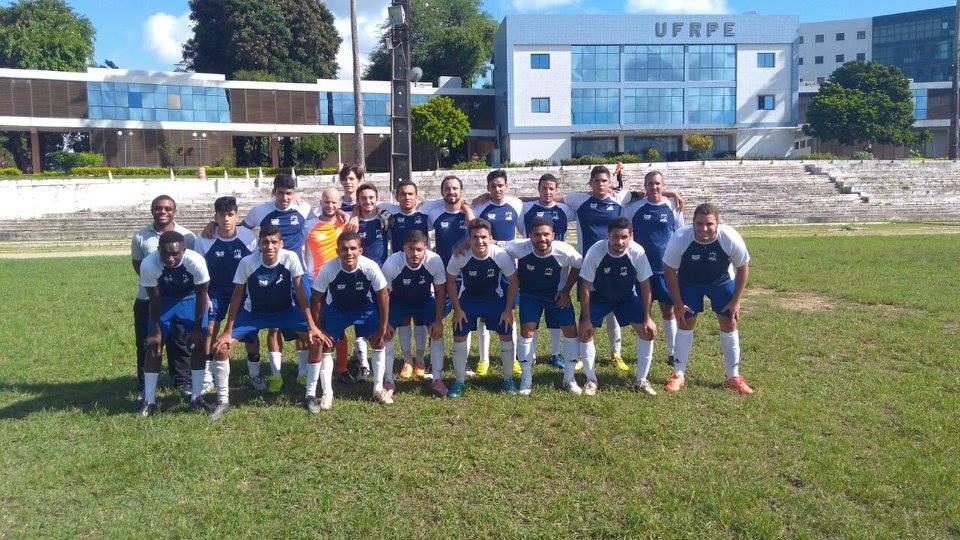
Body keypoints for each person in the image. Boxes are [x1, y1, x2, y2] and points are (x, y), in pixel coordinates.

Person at [204, 174, 312, 391]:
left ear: (295, 193)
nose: (285, 197)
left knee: (306, 323)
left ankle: (303, 372)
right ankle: (275, 375)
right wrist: (214, 223)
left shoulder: (304, 208)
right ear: (274, 192)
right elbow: (238, 228)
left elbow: (324, 218)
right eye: (280, 192)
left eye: (289, 193)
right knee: (273, 326)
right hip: (269, 274)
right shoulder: (260, 211)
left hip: (296, 273)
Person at [213, 225, 325, 414]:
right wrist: (227, 331)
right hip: (253, 314)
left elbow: (300, 292)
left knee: (316, 341)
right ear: (259, 244)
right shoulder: (247, 262)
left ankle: (310, 395)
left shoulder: (290, 257)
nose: (270, 246)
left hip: (285, 311)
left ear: (281, 244)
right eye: (265, 242)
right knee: (221, 347)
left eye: (274, 242)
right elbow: (237, 296)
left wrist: (312, 326)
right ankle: (223, 401)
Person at [661, 203, 753, 395]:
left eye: (709, 224)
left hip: (721, 282)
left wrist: (736, 300)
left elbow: (743, 266)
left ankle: (733, 376)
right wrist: (678, 303)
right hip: (690, 283)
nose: (703, 229)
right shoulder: (680, 238)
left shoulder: (729, 237)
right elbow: (669, 269)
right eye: (699, 224)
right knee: (685, 323)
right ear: (692, 223)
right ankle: (678, 374)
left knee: (729, 322)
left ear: (717, 224)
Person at [576, 217, 658, 396]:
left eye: (623, 237)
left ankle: (641, 380)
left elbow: (645, 285)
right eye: (615, 237)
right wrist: (586, 318)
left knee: (646, 332)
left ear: (630, 237)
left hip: (625, 298)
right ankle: (591, 380)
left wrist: (648, 317)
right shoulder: (596, 251)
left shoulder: (637, 251)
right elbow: (585, 286)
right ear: (608, 236)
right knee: (585, 333)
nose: (619, 242)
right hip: (600, 297)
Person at [500, 218, 582, 395]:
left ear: (553, 235)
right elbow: (496, 244)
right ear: (529, 235)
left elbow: (578, 266)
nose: (542, 238)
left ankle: (569, 378)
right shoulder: (519, 247)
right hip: (530, 296)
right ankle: (526, 378)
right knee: (527, 332)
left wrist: (566, 290)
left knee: (570, 331)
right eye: (537, 234)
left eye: (546, 234)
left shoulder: (565, 251)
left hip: (556, 296)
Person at [311, 231, 391, 406]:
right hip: (337, 309)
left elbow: (383, 295)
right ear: (337, 250)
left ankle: (378, 389)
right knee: (326, 344)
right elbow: (316, 298)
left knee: (378, 342)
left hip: (363, 308)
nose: (349, 253)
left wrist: (383, 327)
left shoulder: (370, 266)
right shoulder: (328, 268)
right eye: (344, 249)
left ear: (360, 250)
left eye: (353, 248)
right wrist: (318, 329)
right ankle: (327, 394)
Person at [130, 195, 196, 401]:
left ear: (174, 211)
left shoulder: (188, 236)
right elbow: (138, 266)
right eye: (158, 208)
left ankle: (182, 381)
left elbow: (191, 265)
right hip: (148, 297)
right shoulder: (141, 236)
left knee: (180, 341)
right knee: (148, 341)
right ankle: (145, 385)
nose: (163, 212)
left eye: (168, 208)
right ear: (152, 210)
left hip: (179, 299)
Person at [137, 231, 210, 416]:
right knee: (154, 345)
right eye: (165, 253)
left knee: (199, 343)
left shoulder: (196, 261)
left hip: (190, 298)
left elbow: (202, 293)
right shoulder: (149, 264)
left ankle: (196, 397)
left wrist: (196, 328)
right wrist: (156, 330)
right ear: (158, 249)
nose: (170, 258)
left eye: (175, 254)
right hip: (164, 301)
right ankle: (150, 400)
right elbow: (153, 298)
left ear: (184, 250)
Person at [446, 218, 518, 398]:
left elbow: (514, 280)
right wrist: (457, 309)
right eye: (475, 237)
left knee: (506, 332)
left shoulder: (499, 254)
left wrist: (508, 309)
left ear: (490, 237)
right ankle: (459, 381)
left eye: (484, 237)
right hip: (468, 300)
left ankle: (508, 379)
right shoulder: (460, 255)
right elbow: (450, 280)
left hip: (494, 299)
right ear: (469, 239)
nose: (480, 241)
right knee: (460, 333)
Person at [193, 196, 260, 390]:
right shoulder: (204, 239)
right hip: (216, 292)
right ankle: (207, 374)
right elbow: (199, 272)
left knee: (250, 331)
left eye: (230, 215)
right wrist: (204, 296)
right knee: (210, 329)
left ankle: (255, 375)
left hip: (244, 292)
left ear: (237, 215)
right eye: (221, 215)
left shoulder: (249, 237)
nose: (226, 219)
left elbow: (255, 266)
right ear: (215, 217)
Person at [622, 170, 684, 367]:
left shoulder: (672, 205)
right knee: (643, 313)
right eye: (650, 184)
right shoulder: (635, 208)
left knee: (669, 311)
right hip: (642, 272)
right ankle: (645, 350)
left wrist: (673, 194)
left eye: (657, 183)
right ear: (645, 186)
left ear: (663, 185)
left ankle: (672, 352)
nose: (654, 187)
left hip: (665, 270)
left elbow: (679, 234)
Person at [380, 230, 449, 397]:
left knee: (437, 334)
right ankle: (388, 381)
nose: (415, 253)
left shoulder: (434, 260)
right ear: (404, 248)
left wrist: (438, 320)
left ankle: (437, 379)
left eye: (419, 249)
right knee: (386, 335)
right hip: (398, 302)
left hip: (424, 301)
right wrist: (386, 322)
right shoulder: (392, 263)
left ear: (425, 248)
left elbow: (440, 291)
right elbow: (383, 294)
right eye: (411, 249)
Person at [519, 173, 578, 370]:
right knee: (531, 317)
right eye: (544, 188)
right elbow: (513, 202)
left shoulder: (564, 210)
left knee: (555, 316)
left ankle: (555, 353)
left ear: (556, 190)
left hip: (558, 264)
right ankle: (530, 354)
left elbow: (583, 202)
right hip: (535, 260)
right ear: (538, 189)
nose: (547, 192)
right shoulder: (528, 209)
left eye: (551, 188)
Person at [470, 169, 523, 378]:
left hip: (508, 265)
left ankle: (515, 357)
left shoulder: (516, 205)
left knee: (511, 311)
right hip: (486, 265)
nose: (497, 189)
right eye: (493, 186)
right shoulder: (480, 206)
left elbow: (524, 235)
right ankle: (484, 359)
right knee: (484, 312)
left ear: (506, 186)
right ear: (488, 188)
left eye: (501, 185)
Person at [304, 186, 352, 385]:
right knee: (315, 326)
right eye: (327, 201)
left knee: (337, 326)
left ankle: (341, 368)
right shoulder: (309, 226)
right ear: (320, 202)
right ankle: (317, 366)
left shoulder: (345, 223)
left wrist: (349, 218)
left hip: (338, 283)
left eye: (334, 202)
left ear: (340, 204)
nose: (330, 205)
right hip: (314, 282)